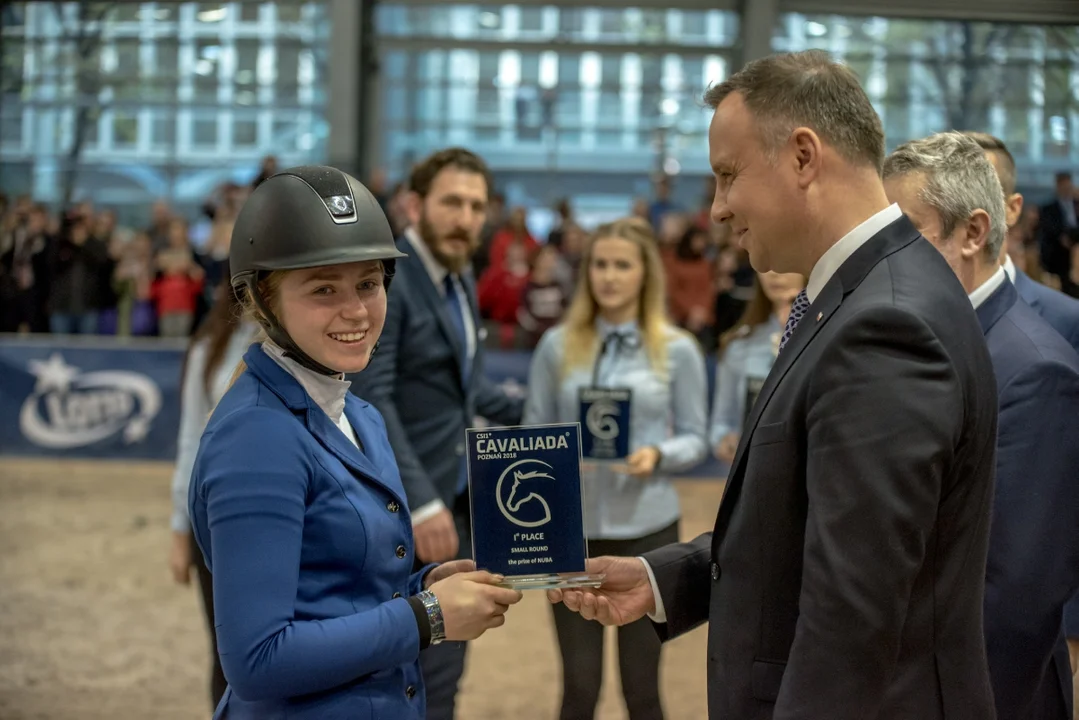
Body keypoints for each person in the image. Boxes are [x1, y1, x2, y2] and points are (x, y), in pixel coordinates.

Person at [548, 50, 999, 720]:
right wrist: (664, 577)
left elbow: (852, 615)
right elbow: (806, 525)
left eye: (727, 176)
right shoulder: (861, 296)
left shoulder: (886, 324)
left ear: (802, 157)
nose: (719, 209)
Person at [187, 165, 522, 720]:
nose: (357, 311)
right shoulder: (256, 438)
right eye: (323, 288)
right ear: (264, 300)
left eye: (368, 283)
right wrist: (428, 617)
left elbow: (336, 586)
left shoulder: (361, 416)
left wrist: (424, 583)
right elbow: (257, 659)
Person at [884, 131, 1079, 720]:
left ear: (972, 233)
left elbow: (1015, 598)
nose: (886, 260)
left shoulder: (1035, 368)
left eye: (904, 237)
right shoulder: (930, 336)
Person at [347, 148, 523, 720]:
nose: (466, 217)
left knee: (444, 671)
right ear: (414, 204)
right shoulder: (391, 282)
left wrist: (548, 414)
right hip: (404, 511)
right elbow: (374, 395)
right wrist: (420, 501)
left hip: (459, 501)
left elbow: (466, 393)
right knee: (406, 671)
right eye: (452, 202)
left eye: (476, 205)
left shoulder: (459, 278)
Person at [523, 217, 708, 720]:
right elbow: (532, 430)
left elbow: (697, 437)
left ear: (644, 274)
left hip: (649, 528)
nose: (609, 276)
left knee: (642, 690)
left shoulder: (677, 350)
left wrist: (659, 456)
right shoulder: (556, 347)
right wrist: (553, 461)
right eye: (600, 264)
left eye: (622, 265)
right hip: (571, 533)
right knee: (579, 688)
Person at [168, 278, 259, 710]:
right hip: (217, 522)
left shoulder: (300, 347)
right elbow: (190, 441)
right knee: (227, 657)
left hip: (279, 515)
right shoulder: (210, 349)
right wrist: (178, 530)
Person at [709, 271, 804, 465]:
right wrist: (725, 440)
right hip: (754, 472)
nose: (774, 274)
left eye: (784, 263)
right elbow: (721, 423)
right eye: (765, 265)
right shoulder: (739, 344)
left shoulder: (829, 335)